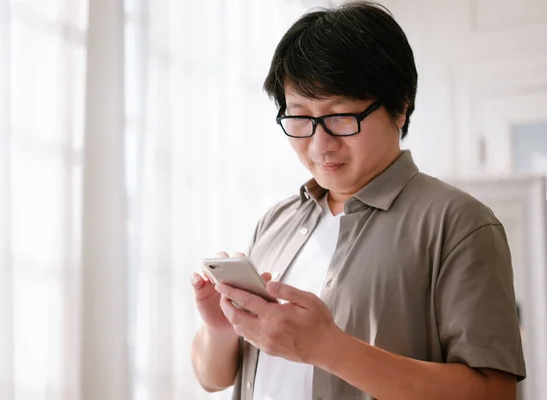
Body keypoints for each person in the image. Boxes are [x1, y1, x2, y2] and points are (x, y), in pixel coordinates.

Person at [190, 2, 526, 399]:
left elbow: (494, 393)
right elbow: (211, 378)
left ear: (399, 107)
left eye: (340, 117)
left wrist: (327, 348)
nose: (319, 144)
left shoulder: (459, 224)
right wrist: (222, 328)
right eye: (299, 118)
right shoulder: (276, 220)